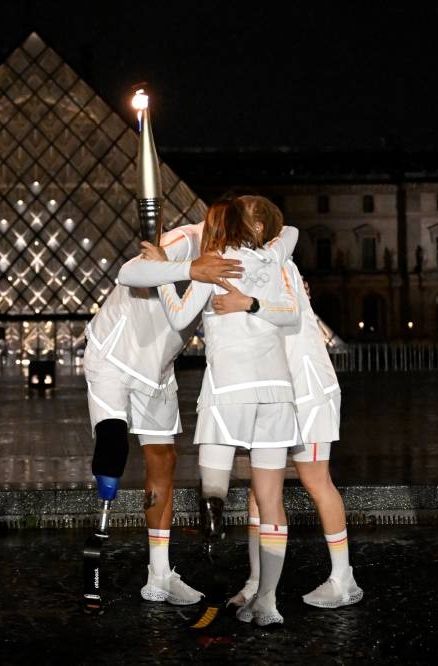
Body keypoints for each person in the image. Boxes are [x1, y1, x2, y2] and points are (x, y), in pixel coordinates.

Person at [139, 197, 300, 626]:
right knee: (270, 500)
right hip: (276, 391)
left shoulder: (212, 264)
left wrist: (161, 274)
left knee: (214, 471)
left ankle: (213, 503)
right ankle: (268, 601)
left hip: (228, 388)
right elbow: (293, 314)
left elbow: (178, 317)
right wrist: (252, 303)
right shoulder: (270, 260)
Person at [213, 195, 363, 610]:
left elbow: (291, 313)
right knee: (260, 493)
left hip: (308, 391)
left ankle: (342, 578)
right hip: (278, 390)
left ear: (259, 227)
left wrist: (248, 303)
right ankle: (257, 582)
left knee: (316, 480)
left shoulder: (278, 265)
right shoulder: (255, 264)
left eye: (240, 216)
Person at [84, 218, 242, 606]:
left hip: (157, 370)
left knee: (164, 459)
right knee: (112, 443)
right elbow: (129, 271)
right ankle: (100, 528)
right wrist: (190, 268)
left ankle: (158, 575)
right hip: (114, 358)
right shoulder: (184, 240)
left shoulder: (233, 256)